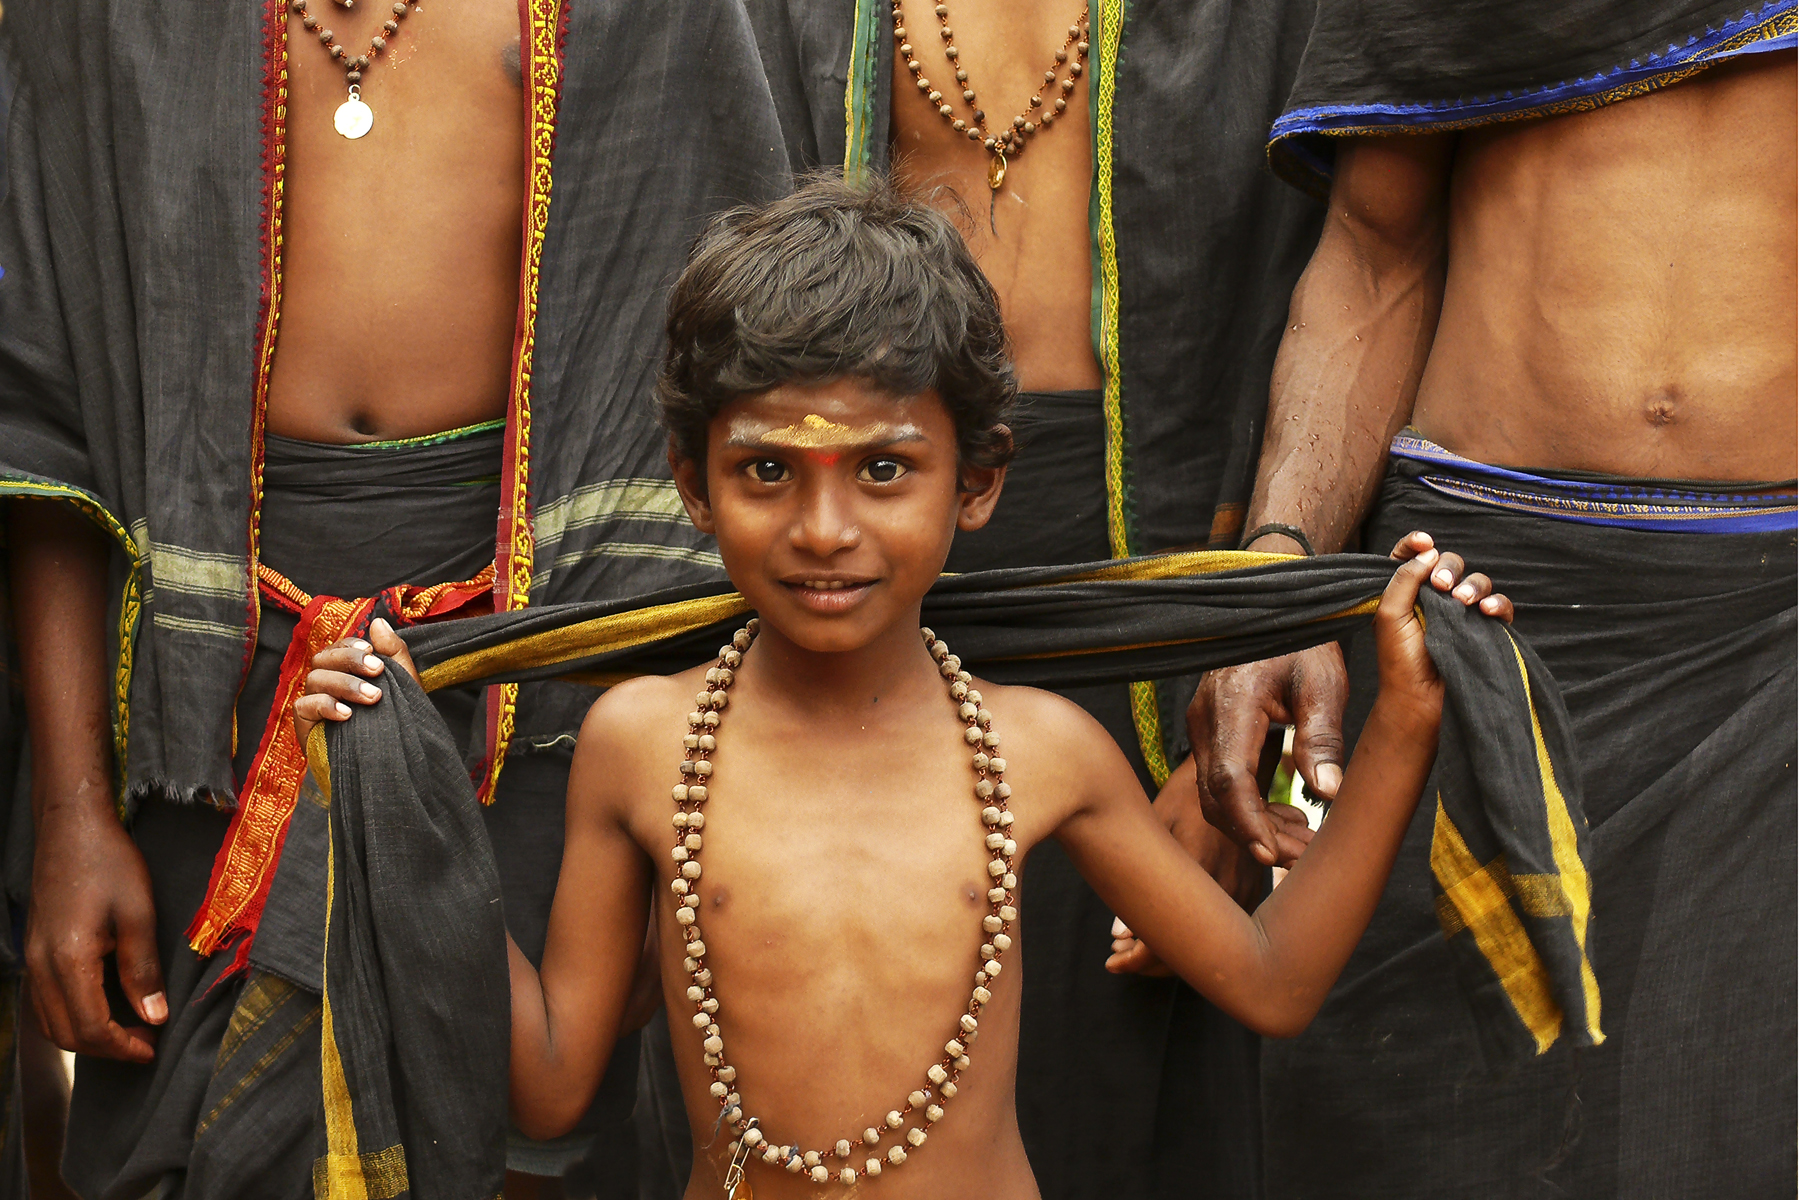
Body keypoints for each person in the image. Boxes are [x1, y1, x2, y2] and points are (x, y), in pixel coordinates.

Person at [297, 177, 1515, 1199]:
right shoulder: (645, 741)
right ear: (692, 483)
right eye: (767, 470)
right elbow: (555, 1077)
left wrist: (1405, 725)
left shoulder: (1038, 750)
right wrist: (411, 807)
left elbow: (1273, 981)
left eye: (884, 469)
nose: (825, 530)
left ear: (975, 484)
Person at [0, 0, 790, 1194]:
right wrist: (69, 812)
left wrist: (665, 828)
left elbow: (751, 397)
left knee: (532, 1144)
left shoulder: (648, 18)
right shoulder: (109, 24)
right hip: (199, 703)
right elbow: (43, 427)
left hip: (538, 691)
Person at [1181, 2, 1797, 1192]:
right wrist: (1281, 574)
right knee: (1409, 1123)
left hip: (1777, 635)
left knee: (1738, 1121)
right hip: (1464, 605)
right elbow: (1371, 250)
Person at [743, 3, 1327, 1189]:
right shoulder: (779, 24)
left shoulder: (1252, 24)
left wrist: (1245, 728)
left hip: (1172, 605)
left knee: (1147, 1100)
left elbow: (1331, 293)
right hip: (843, 575)